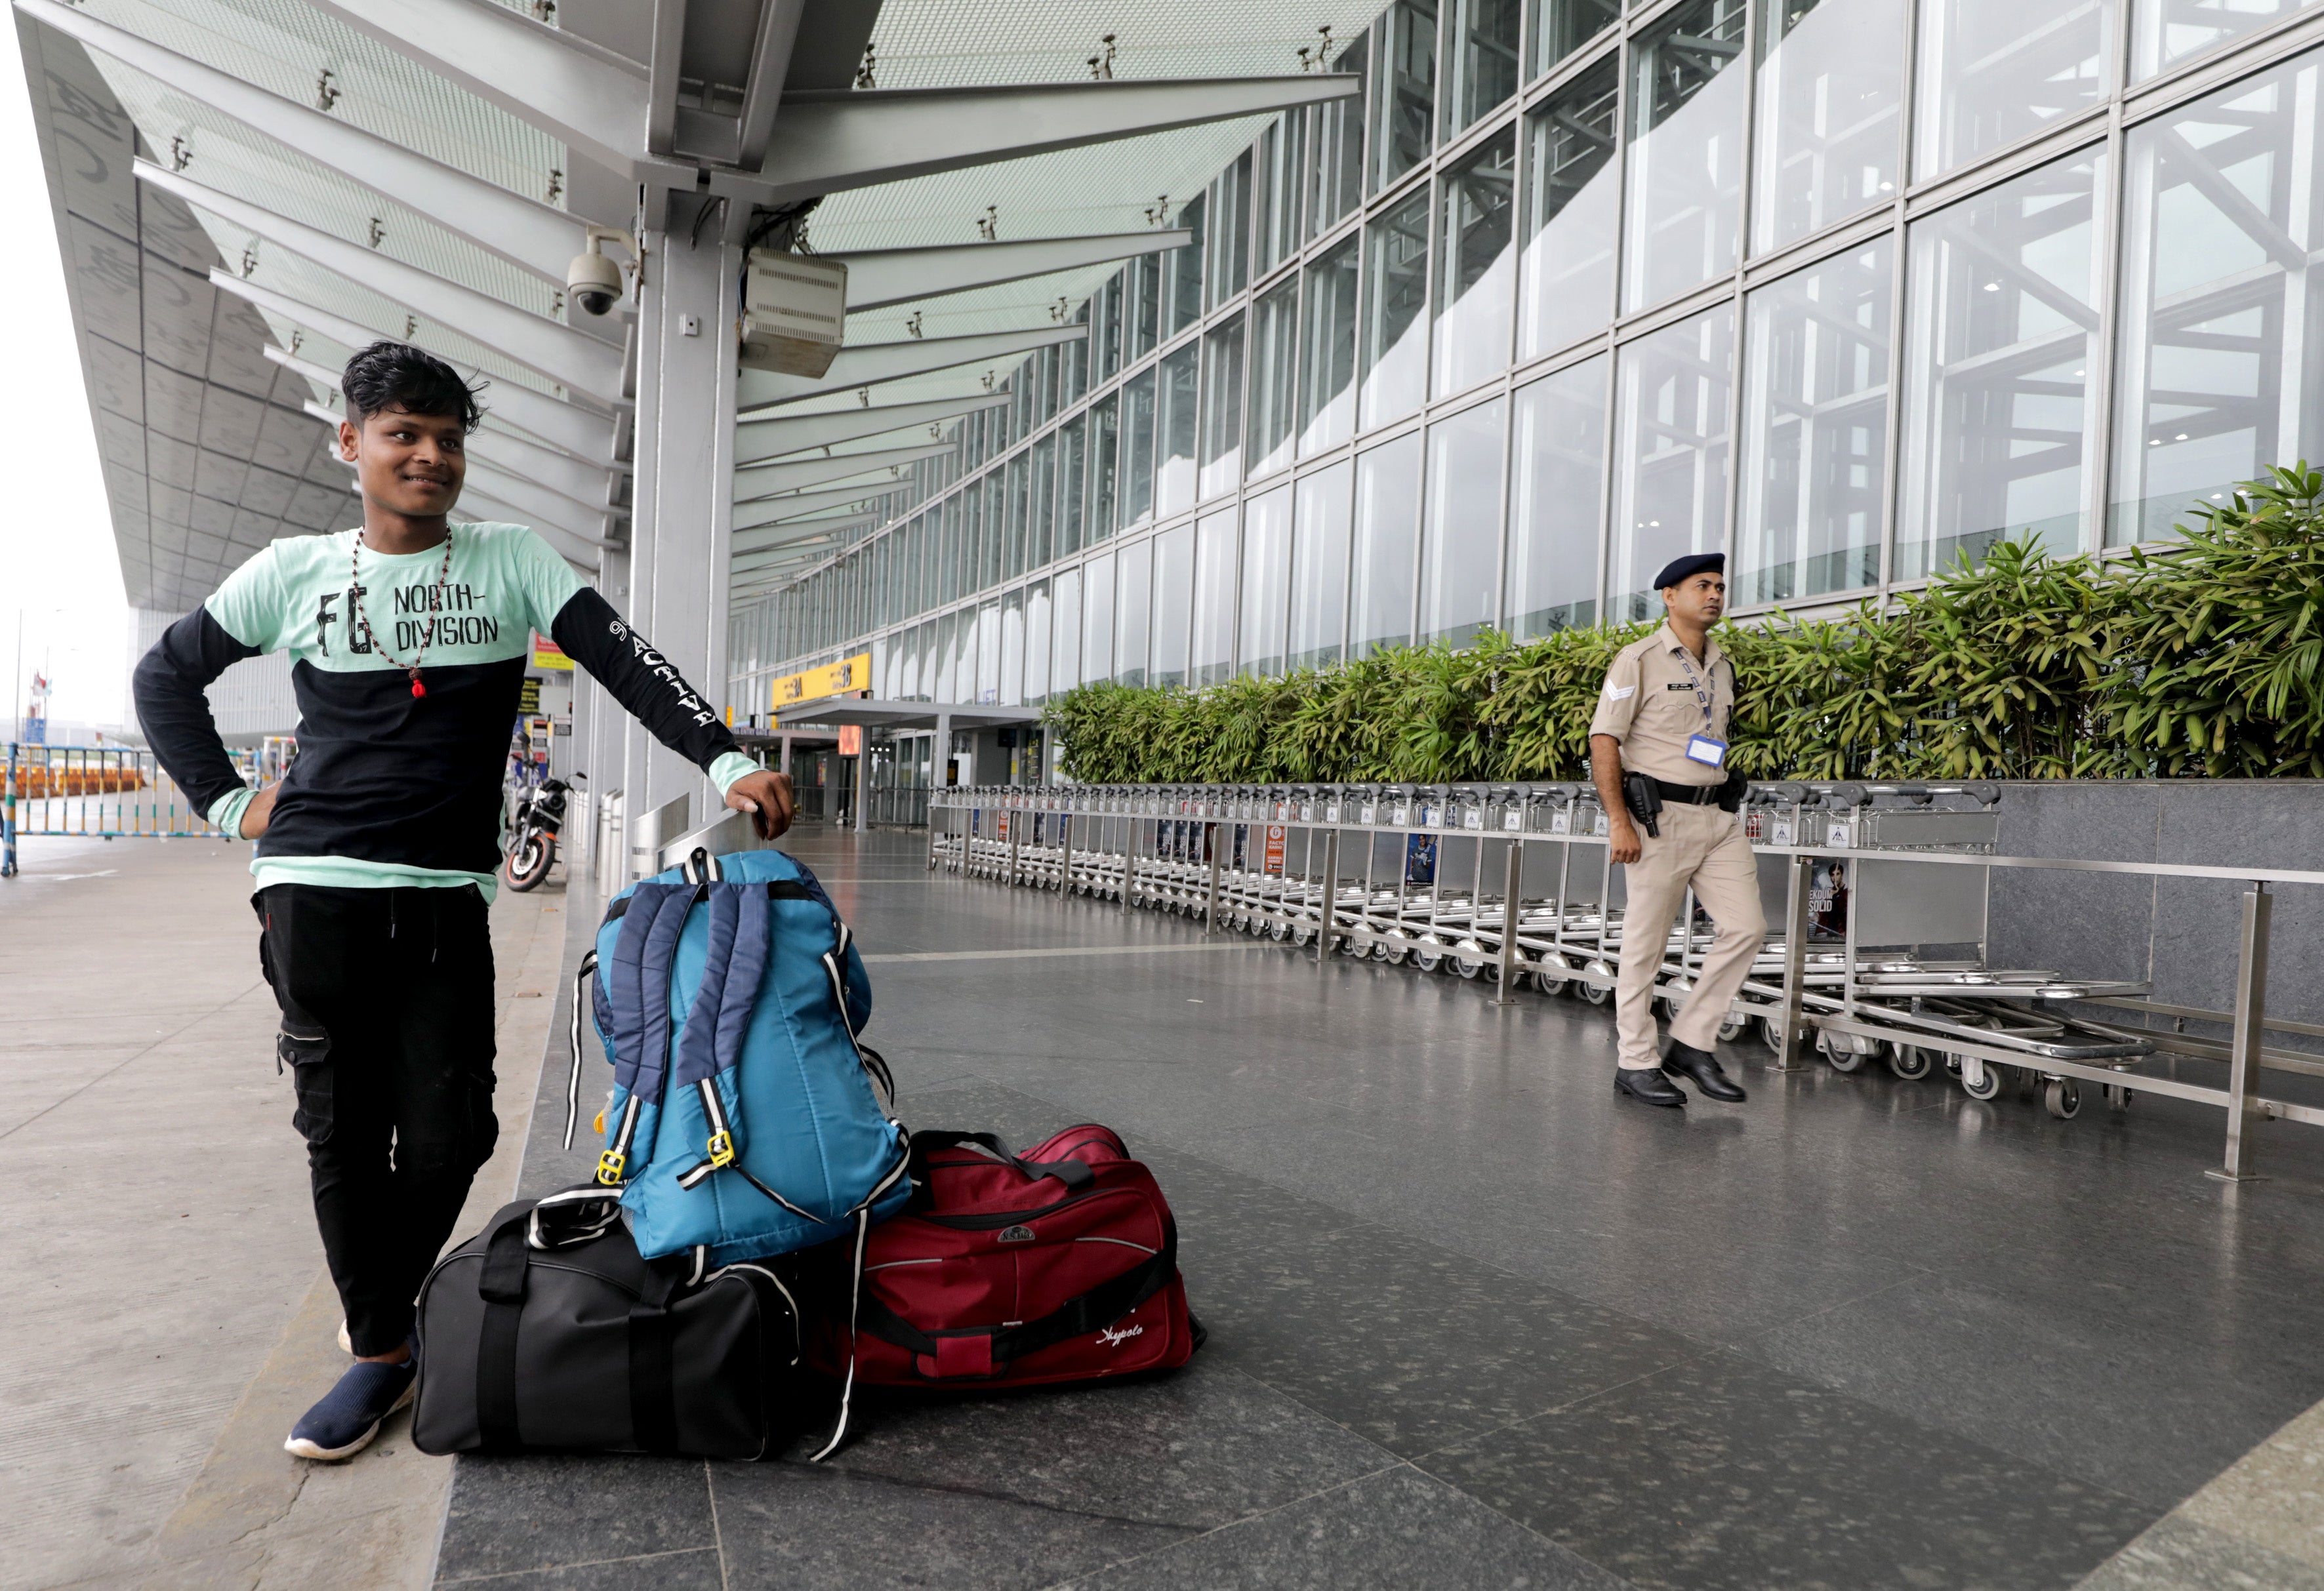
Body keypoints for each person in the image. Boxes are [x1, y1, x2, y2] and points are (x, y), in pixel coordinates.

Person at [133, 342, 794, 1460]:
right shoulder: (292, 570)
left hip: (445, 895)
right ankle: (380, 1355)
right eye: (402, 433)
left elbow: (628, 663)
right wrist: (227, 803)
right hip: (316, 889)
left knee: (453, 1135)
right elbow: (163, 677)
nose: (429, 456)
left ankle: (378, 1314)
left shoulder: (509, 562)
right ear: (351, 442)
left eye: (447, 439)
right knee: (343, 1130)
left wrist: (723, 760)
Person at [1587, 553, 1764, 1108]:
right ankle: (1635, 1063)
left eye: (1719, 586)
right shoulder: (1636, 660)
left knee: (1747, 927)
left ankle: (1690, 1042)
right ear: (1669, 596)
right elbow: (1603, 741)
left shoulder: (1722, 665)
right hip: (1656, 820)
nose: (1714, 594)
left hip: (1716, 819)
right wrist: (1620, 821)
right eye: (1700, 586)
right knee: (1645, 947)